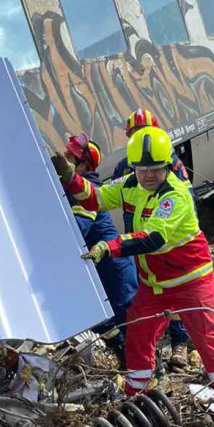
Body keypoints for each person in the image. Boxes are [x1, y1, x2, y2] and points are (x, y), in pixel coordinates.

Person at [54, 126, 214, 421]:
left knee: (210, 343)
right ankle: (137, 400)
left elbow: (152, 238)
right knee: (138, 334)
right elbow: (95, 197)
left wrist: (110, 246)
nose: (148, 176)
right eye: (142, 170)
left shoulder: (176, 195)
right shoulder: (131, 184)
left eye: (155, 170)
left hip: (190, 282)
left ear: (167, 167)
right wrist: (70, 178)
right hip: (155, 285)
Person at [111, 108, 191, 368]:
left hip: (165, 242)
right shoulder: (125, 167)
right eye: (135, 135)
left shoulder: (171, 163)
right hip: (138, 242)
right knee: (144, 294)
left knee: (175, 291)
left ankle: (180, 343)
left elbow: (186, 202)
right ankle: (149, 350)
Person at [64, 132, 138, 359]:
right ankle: (126, 357)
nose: (64, 158)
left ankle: (152, 372)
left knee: (131, 324)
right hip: (101, 265)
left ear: (82, 167)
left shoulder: (88, 189)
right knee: (101, 318)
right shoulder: (74, 187)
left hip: (115, 268)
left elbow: (78, 227)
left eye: (70, 157)